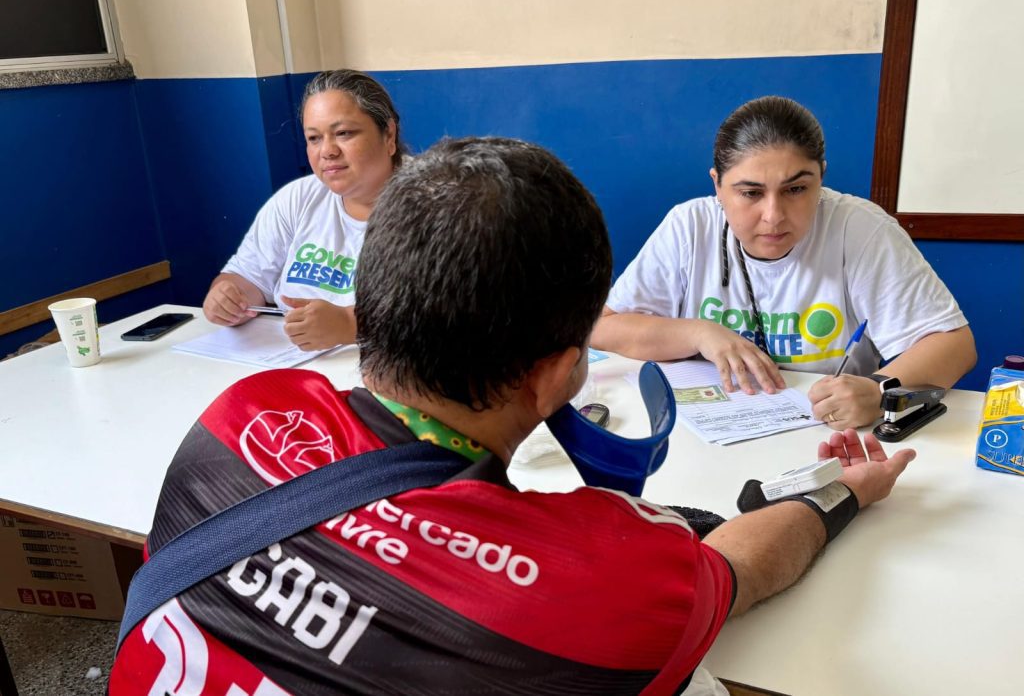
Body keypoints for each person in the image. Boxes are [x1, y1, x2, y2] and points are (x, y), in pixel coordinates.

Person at [111, 137, 915, 695]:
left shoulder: (241, 415)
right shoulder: (612, 580)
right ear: (563, 376)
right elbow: (739, 564)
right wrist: (842, 490)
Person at [591, 96, 976, 429]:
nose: (773, 215)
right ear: (717, 186)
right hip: (707, 433)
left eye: (796, 189)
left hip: (828, 434)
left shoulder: (860, 229)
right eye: (750, 193)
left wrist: (878, 389)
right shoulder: (689, 227)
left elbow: (955, 346)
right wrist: (699, 333)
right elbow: (602, 328)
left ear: (821, 178)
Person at [202, 69, 405, 351]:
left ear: (389, 135)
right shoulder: (298, 199)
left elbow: (453, 314)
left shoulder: (434, 205)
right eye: (314, 138)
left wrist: (349, 325)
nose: (327, 151)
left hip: (390, 380)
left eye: (343, 133)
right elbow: (248, 278)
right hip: (289, 367)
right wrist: (226, 297)